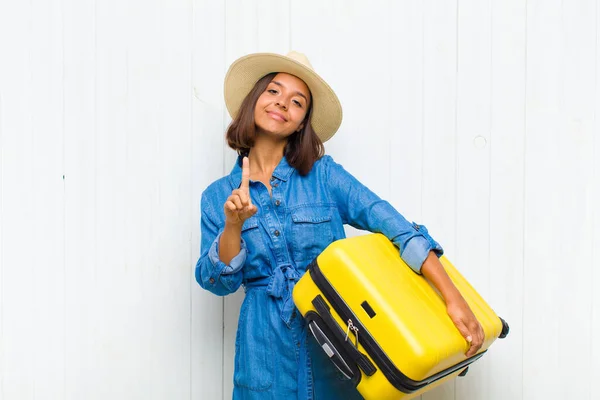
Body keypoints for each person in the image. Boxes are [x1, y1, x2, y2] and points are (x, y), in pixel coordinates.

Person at [195, 51, 484, 400]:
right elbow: (219, 283)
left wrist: (452, 297)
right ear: (253, 101)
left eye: (297, 101)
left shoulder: (325, 176)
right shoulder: (216, 197)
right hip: (262, 355)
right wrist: (232, 225)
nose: (283, 103)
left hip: (336, 343)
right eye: (273, 91)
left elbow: (398, 229)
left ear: (302, 122)